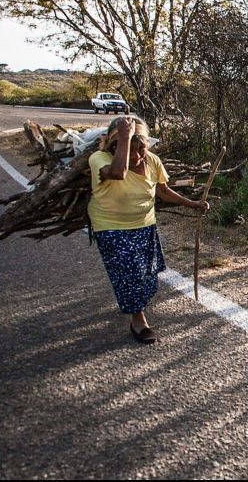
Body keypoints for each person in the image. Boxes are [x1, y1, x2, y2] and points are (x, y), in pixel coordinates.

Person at [88, 116, 209, 344]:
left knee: (147, 274)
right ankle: (138, 320)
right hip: (111, 228)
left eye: (141, 148)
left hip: (145, 225)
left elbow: (163, 191)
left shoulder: (152, 160)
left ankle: (135, 303)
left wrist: (192, 204)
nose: (136, 156)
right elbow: (118, 173)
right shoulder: (99, 159)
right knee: (129, 274)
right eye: (129, 149)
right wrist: (125, 137)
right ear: (113, 146)